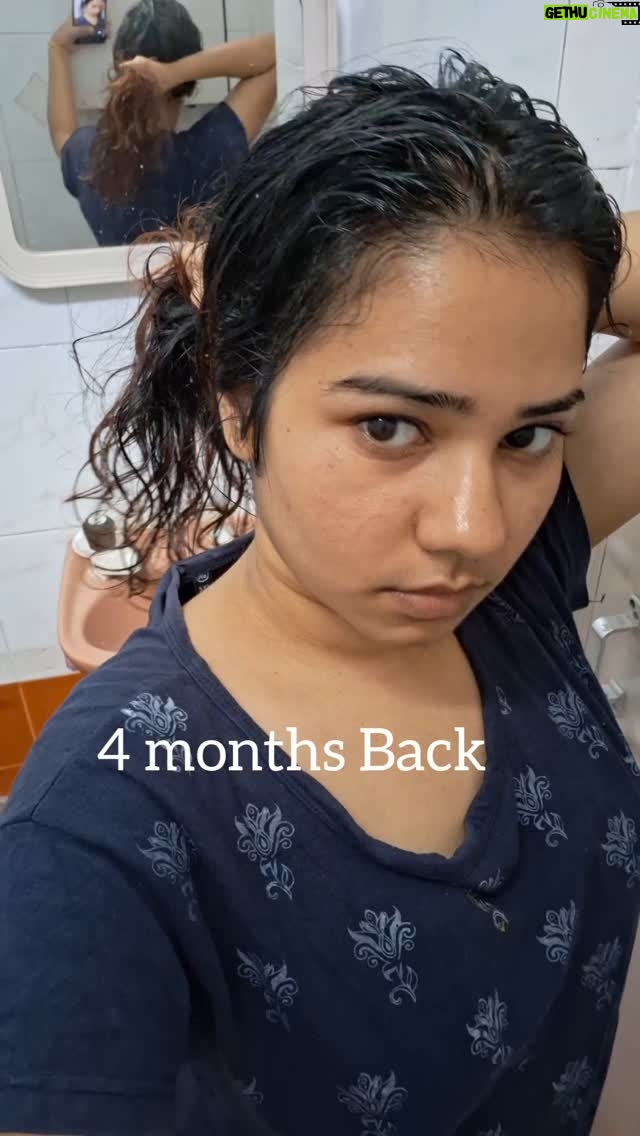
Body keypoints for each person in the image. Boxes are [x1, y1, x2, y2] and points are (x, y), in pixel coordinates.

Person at [2, 52, 640, 1136]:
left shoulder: (519, 589)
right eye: (391, 426)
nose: (474, 529)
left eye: (529, 434)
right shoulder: (98, 826)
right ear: (238, 403)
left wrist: (530, 244)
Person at [48, 0, 276, 245]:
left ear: (117, 65)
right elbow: (279, 52)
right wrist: (175, 72)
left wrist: (57, 48)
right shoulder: (209, 153)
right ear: (189, 85)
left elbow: (63, 132)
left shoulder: (89, 158)